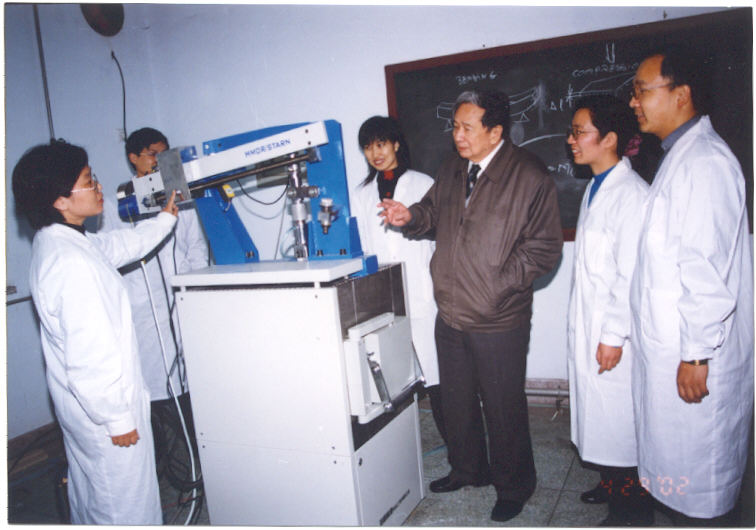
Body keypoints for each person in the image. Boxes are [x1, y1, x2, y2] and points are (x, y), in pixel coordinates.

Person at [380, 90, 563, 522]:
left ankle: (514, 486)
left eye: (467, 128)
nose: (457, 135)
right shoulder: (452, 168)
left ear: (495, 132)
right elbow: (432, 213)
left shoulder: (529, 175)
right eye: (455, 127)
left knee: (502, 406)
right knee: (456, 400)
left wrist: (497, 284)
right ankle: (468, 469)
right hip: (450, 311)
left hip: (498, 316)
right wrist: (410, 217)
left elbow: (543, 250)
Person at [12, 140, 180, 524]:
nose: (99, 186)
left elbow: (119, 245)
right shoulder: (72, 264)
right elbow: (90, 356)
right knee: (124, 509)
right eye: (88, 181)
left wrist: (164, 220)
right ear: (60, 200)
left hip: (87, 413)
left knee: (95, 498)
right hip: (106, 418)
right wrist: (116, 419)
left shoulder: (63, 242)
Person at [628, 47, 753, 524]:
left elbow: (706, 270)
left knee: (700, 488)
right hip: (673, 349)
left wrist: (697, 355)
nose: (634, 101)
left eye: (642, 90)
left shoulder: (705, 163)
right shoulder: (680, 156)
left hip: (696, 354)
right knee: (675, 477)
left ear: (681, 95)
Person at [565, 95, 652, 525]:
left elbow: (630, 276)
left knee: (619, 426)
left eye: (579, 132)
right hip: (590, 325)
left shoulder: (632, 196)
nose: (571, 140)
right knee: (600, 418)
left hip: (614, 332)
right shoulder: (595, 186)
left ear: (610, 138)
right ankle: (609, 481)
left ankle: (631, 512)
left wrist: (613, 336)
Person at [100, 127, 207, 451]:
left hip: (181, 301)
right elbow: (113, 257)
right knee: (153, 388)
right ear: (133, 158)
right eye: (152, 155)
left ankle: (197, 454)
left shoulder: (179, 197)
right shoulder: (116, 207)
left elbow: (195, 246)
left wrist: (191, 288)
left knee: (190, 383)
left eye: (164, 154)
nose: (159, 161)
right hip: (143, 310)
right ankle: (163, 454)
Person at [352, 116, 445, 442]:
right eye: (368, 147)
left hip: (422, 291)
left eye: (381, 144)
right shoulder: (362, 194)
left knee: (436, 375)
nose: (375, 153)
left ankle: (457, 450)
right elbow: (363, 246)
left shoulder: (423, 183)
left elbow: (439, 238)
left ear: (395, 144)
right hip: (383, 296)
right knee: (391, 376)